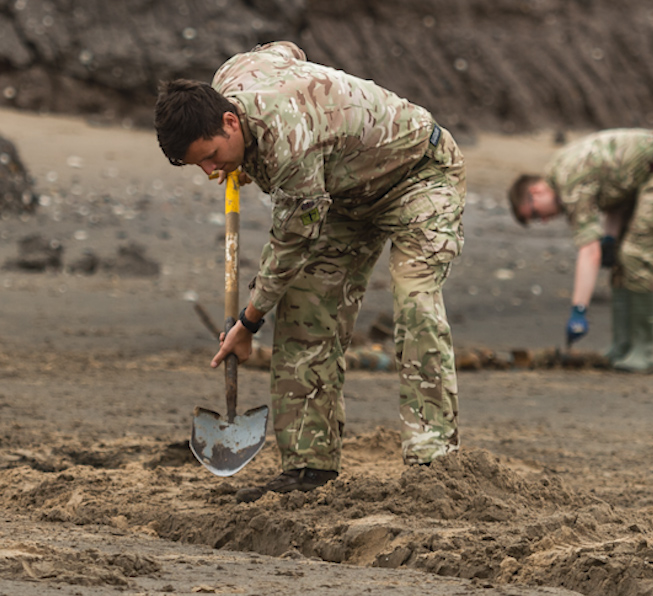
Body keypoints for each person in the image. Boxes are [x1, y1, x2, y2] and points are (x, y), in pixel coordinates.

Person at [155, 42, 465, 495]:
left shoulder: (288, 143)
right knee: (305, 310)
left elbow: (291, 243)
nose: (208, 172)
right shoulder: (233, 76)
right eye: (198, 164)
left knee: (414, 300)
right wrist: (240, 158)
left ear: (229, 121)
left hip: (417, 175)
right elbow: (287, 49)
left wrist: (247, 322)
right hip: (341, 195)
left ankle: (433, 463)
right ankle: (309, 467)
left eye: (211, 157)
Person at [507, 129, 653, 373]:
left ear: (536, 192)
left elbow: (589, 251)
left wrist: (579, 310)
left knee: (636, 256)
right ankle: (621, 346)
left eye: (535, 214)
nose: (543, 221)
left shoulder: (569, 183)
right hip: (645, 179)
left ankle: (642, 351)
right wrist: (610, 237)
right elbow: (615, 190)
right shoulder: (560, 172)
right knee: (620, 259)